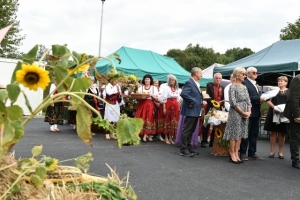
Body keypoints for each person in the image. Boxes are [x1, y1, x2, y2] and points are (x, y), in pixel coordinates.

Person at [223, 67, 251, 164]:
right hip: (236, 112)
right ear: (237, 75)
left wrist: (249, 111)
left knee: (240, 133)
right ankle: (232, 154)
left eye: (245, 74)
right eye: (242, 74)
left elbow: (248, 100)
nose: (244, 76)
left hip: (245, 111)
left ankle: (236, 153)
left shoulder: (244, 87)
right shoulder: (232, 86)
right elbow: (233, 102)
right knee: (234, 133)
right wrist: (242, 112)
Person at [179, 67, 206, 157]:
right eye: (201, 73)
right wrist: (193, 101)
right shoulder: (189, 82)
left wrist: (200, 101)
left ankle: (189, 148)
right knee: (187, 130)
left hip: (195, 110)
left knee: (191, 130)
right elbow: (183, 93)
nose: (202, 75)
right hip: (191, 110)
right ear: (196, 73)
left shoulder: (195, 83)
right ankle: (183, 149)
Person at [240, 67, 265, 161]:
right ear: (248, 73)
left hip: (256, 111)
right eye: (254, 72)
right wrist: (258, 99)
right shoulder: (244, 83)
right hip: (248, 111)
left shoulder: (255, 84)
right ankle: (242, 152)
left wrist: (262, 98)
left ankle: (252, 152)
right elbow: (245, 97)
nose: (256, 74)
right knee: (246, 133)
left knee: (254, 133)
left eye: (257, 72)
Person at [264, 76, 289, 159]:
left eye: (282, 81)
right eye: (279, 81)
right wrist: (275, 108)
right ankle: (272, 151)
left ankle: (280, 152)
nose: (280, 82)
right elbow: (267, 100)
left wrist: (283, 110)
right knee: (273, 132)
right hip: (273, 112)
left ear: (286, 82)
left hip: (284, 113)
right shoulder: (274, 91)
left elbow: (290, 103)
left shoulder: (289, 92)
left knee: (282, 133)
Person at [201, 72, 224, 148]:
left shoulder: (222, 88)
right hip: (210, 107)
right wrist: (213, 103)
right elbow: (207, 96)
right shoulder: (209, 85)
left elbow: (223, 98)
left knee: (216, 125)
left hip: (218, 109)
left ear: (221, 79)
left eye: (219, 78)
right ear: (214, 79)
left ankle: (212, 141)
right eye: (216, 78)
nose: (218, 79)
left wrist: (220, 104)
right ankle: (204, 141)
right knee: (206, 124)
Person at [135, 74, 158, 142]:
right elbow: (138, 98)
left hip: (150, 104)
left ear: (150, 80)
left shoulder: (154, 88)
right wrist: (137, 97)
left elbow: (156, 98)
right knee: (140, 118)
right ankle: (137, 134)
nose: (147, 80)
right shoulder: (140, 88)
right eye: (145, 79)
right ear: (144, 80)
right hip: (142, 104)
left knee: (148, 119)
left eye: (148, 79)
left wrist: (151, 95)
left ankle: (145, 135)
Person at [283, 74, 300, 169]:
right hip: (297, 113)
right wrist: (297, 115)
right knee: (296, 136)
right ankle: (295, 159)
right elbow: (294, 99)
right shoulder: (297, 79)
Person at [161, 74, 180, 144]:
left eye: (173, 80)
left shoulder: (177, 89)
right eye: (170, 80)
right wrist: (164, 108)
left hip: (175, 106)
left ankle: (171, 137)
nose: (171, 81)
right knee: (167, 121)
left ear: (175, 81)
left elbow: (178, 99)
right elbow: (164, 98)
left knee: (173, 122)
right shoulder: (166, 88)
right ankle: (166, 137)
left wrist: (178, 107)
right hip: (168, 105)